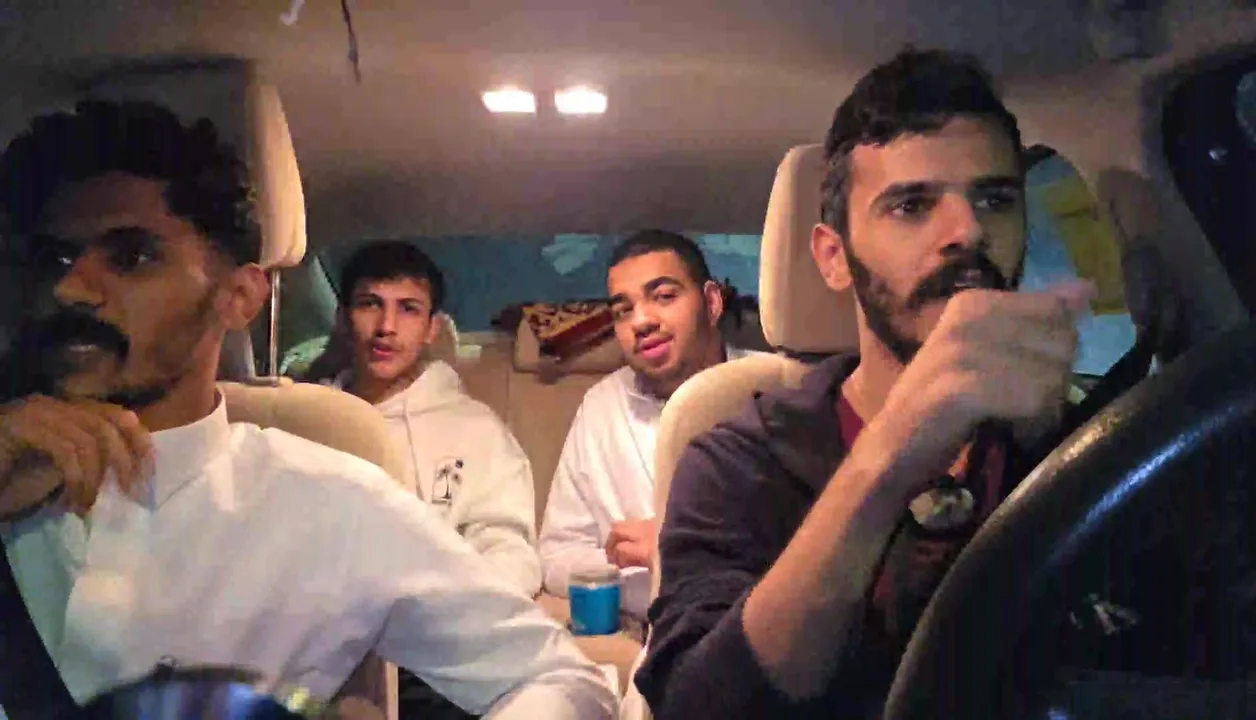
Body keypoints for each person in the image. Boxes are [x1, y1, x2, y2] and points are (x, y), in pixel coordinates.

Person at [0, 100, 615, 719]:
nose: (69, 288)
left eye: (131, 257)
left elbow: (563, 680)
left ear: (240, 297)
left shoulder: (329, 503)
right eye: (55, 259)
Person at [634, 49, 1096, 718]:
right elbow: (696, 707)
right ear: (833, 257)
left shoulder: (1087, 438)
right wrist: (895, 449)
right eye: (911, 206)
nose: (968, 232)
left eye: (995, 200)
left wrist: (1061, 447)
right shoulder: (734, 462)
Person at [538, 230, 757, 618]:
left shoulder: (774, 390)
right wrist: (628, 571)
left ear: (711, 302)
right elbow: (558, 554)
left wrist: (683, 551)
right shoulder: (602, 408)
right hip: (644, 631)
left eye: (664, 296)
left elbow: (823, 554)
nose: (640, 321)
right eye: (623, 310)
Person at [323, 240, 541, 598]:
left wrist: (445, 607)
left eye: (408, 309)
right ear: (343, 318)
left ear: (431, 329)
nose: (386, 326)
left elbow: (509, 551)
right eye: (370, 304)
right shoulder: (308, 424)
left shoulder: (476, 429)